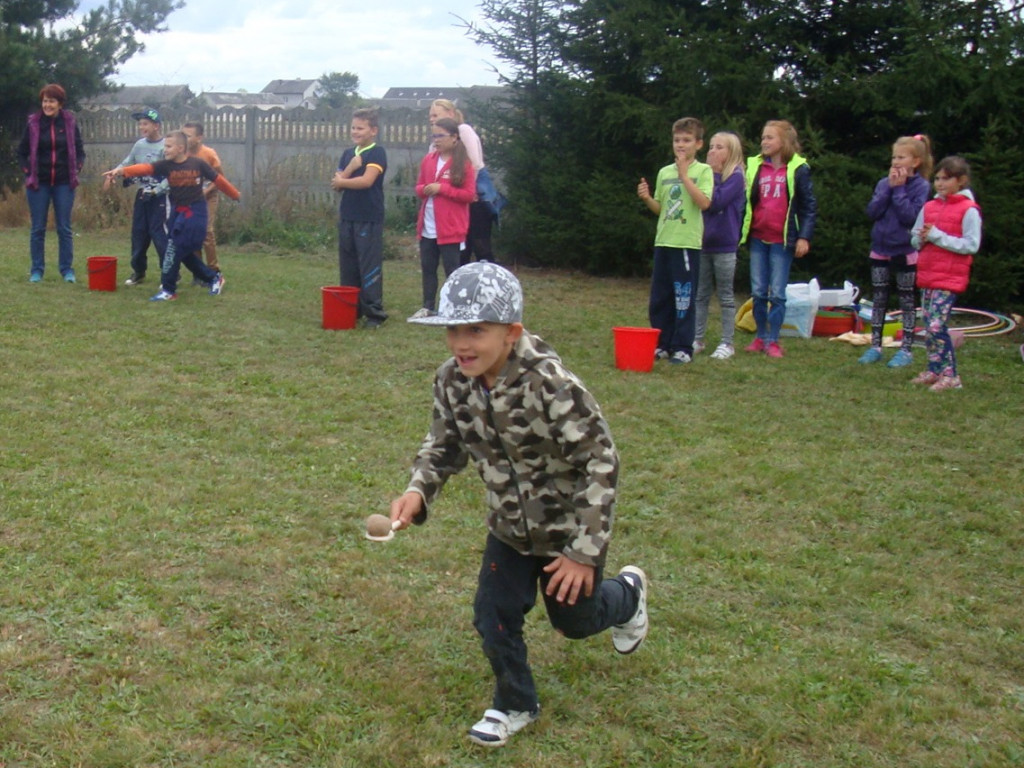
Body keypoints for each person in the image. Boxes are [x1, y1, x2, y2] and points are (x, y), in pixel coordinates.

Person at [390, 262, 649, 748]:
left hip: (568, 534)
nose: (461, 343)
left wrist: (583, 553)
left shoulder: (550, 384)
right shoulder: (451, 381)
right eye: (453, 330)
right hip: (508, 529)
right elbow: (444, 444)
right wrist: (418, 490)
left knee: (575, 623)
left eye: (476, 330)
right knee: (493, 615)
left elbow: (601, 461)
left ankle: (628, 596)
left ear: (511, 332)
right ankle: (514, 703)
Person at [104, 131, 239, 301]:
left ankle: (168, 290)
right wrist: (121, 171)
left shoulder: (197, 164)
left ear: (181, 148)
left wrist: (235, 194)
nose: (165, 149)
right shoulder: (166, 165)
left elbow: (218, 180)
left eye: (168, 146)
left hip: (195, 211)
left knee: (173, 248)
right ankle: (213, 278)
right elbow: (145, 168)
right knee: (182, 251)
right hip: (177, 210)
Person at [636, 117, 713, 364]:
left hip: (686, 244)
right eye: (677, 140)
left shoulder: (703, 171)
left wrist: (684, 176)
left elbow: (704, 203)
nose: (680, 145)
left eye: (687, 140)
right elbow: (661, 209)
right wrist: (647, 199)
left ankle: (683, 347)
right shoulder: (664, 172)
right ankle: (662, 344)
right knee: (661, 297)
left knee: (683, 297)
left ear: (698, 144)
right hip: (664, 242)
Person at [740, 120, 818, 358]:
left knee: (777, 293)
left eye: (770, 137)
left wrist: (804, 237)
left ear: (784, 142)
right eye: (763, 137)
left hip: (782, 241)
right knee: (758, 292)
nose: (764, 141)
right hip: (758, 237)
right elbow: (747, 200)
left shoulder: (798, 169)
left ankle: (773, 340)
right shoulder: (755, 166)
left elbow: (808, 206)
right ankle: (760, 336)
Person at [858, 135, 933, 367]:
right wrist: (888, 189)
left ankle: (906, 350)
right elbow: (872, 212)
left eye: (901, 157)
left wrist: (899, 190)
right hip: (880, 248)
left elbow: (911, 217)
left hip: (904, 250)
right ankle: (875, 346)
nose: (896, 162)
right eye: (894, 157)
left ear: (916, 161)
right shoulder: (884, 183)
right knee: (879, 298)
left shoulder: (921, 186)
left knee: (906, 299)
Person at [909, 156, 982, 391]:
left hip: (950, 277)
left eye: (946, 179)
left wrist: (937, 236)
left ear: (961, 181)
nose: (940, 183)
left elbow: (971, 245)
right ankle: (934, 369)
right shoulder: (929, 207)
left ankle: (951, 375)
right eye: (938, 178)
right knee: (928, 324)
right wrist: (920, 239)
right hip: (928, 274)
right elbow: (915, 236)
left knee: (937, 325)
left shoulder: (969, 210)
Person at [408, 117, 477, 320]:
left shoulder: (463, 164)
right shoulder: (428, 160)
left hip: (450, 228)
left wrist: (442, 189)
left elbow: (468, 195)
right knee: (428, 268)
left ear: (454, 137)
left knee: (452, 270)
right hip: (428, 226)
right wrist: (425, 189)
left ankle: (453, 307)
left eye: (440, 135)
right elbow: (419, 187)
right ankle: (428, 306)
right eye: (434, 136)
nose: (436, 140)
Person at [17, 83, 85, 283]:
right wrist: (28, 171)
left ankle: (67, 270)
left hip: (64, 183)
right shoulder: (33, 124)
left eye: (52, 101)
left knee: (64, 228)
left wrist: (77, 167)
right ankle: (37, 271)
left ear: (60, 103)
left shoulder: (70, 123)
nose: (47, 105)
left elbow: (80, 150)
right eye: (45, 101)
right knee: (38, 229)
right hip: (38, 184)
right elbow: (21, 152)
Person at [331, 107, 388, 329]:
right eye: (353, 127)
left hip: (368, 217)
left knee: (368, 265)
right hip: (348, 216)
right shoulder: (348, 154)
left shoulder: (377, 153)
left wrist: (343, 180)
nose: (355, 132)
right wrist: (351, 167)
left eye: (360, 128)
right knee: (349, 265)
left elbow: (366, 181)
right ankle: (351, 309)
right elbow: (337, 184)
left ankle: (374, 312)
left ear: (373, 130)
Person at [695, 131, 746, 360]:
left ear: (731, 152)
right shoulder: (704, 175)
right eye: (711, 147)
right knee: (701, 295)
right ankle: (697, 338)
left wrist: (715, 173)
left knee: (725, 295)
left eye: (719, 147)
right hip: (703, 243)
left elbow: (715, 202)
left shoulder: (736, 177)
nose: (712, 151)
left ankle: (727, 342)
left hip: (725, 245)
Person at [104, 108, 170, 287]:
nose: (142, 127)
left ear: (156, 126)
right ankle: (138, 272)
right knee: (139, 234)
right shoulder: (139, 145)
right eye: (140, 124)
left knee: (159, 235)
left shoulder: (166, 146)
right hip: (142, 195)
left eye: (145, 124)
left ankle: (170, 274)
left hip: (160, 197)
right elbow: (128, 163)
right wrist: (115, 172)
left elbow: (171, 175)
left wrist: (157, 190)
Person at [429, 99, 495, 266]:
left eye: (436, 115)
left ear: (450, 114)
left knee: (480, 243)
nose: (431, 119)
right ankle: (462, 279)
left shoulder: (463, 130)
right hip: (452, 194)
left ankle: (490, 279)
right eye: (430, 116)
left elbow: (474, 164)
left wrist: (468, 192)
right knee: (461, 246)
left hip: (475, 194)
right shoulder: (435, 141)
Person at [182, 121, 223, 281]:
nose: (184, 139)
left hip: (208, 196)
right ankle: (199, 271)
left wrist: (205, 191)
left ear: (199, 138)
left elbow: (220, 179)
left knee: (206, 231)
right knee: (193, 232)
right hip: (190, 198)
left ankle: (214, 270)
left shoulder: (209, 154)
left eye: (188, 136)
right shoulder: (182, 154)